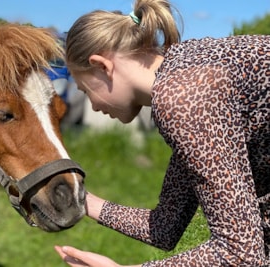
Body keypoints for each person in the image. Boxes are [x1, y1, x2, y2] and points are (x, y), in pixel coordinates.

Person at [54, 0, 270, 266]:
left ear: (102, 66)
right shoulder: (185, 70)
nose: (94, 106)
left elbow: (240, 253)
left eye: (86, 90)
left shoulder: (182, 98)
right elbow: (165, 226)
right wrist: (83, 201)